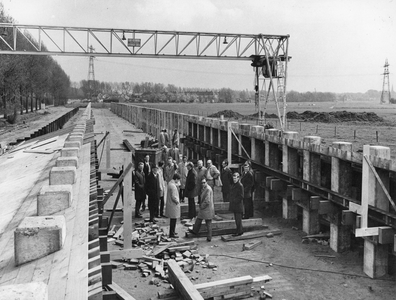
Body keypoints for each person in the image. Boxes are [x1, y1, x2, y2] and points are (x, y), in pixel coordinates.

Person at [165, 173, 181, 238]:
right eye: (178, 180)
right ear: (176, 179)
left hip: (170, 204)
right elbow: (174, 197)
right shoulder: (173, 186)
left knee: (173, 220)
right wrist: (177, 202)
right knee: (173, 220)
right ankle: (172, 234)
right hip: (173, 205)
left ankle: (172, 232)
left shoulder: (170, 183)